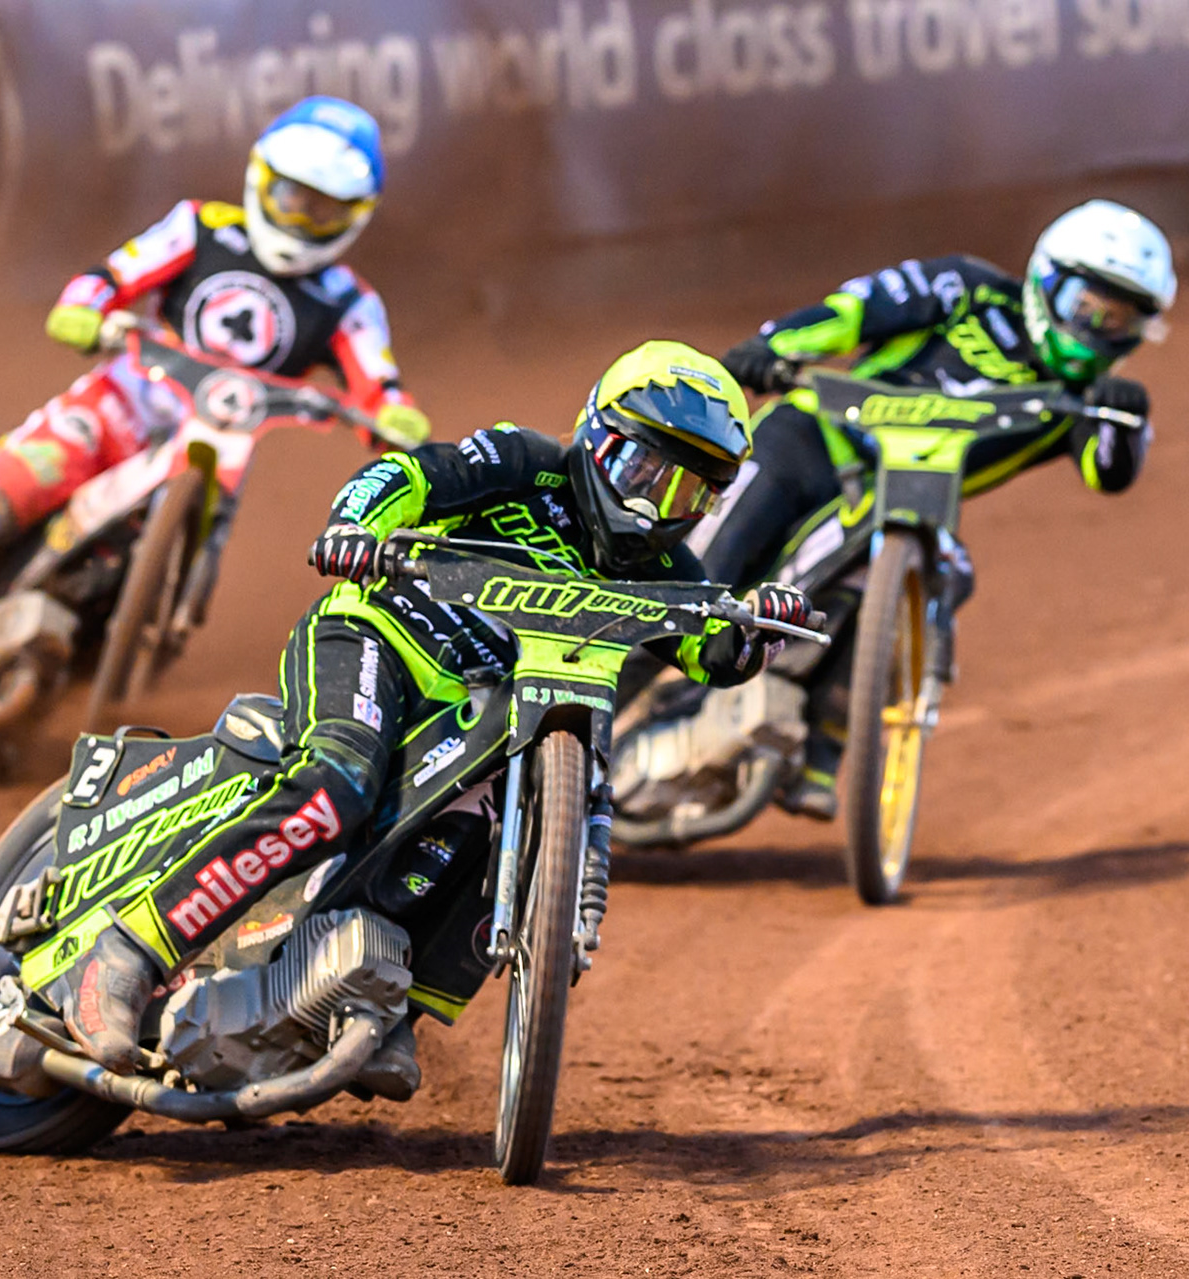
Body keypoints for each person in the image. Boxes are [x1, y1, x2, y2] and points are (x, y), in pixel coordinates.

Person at [57, 340, 813, 1080]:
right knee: (338, 782)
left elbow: (716, 649)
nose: (655, 505)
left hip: (481, 718)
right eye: (641, 469)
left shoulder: (669, 571)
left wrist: (761, 623)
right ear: (595, 434)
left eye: (687, 492)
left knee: (506, 830)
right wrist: (357, 525)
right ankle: (130, 952)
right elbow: (408, 472)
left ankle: (394, 1006)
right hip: (378, 636)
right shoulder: (525, 461)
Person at [0, 96, 431, 747]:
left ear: (356, 215)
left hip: (213, 451)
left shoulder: (350, 302)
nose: (303, 215)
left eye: (325, 207)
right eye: (292, 196)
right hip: (111, 411)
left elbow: (379, 384)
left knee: (193, 546)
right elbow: (106, 277)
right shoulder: (200, 227)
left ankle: (46, 669)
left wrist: (394, 419)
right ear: (261, 181)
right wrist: (86, 308)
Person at [702, 199, 1178, 818]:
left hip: (905, 502)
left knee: (949, 573)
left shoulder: (1085, 399)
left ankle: (825, 741)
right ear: (1046, 282)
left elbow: (1108, 472)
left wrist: (1125, 412)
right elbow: (855, 311)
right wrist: (774, 345)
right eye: (1086, 308)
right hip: (814, 440)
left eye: (1117, 322)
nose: (1095, 332)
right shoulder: (968, 288)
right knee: (702, 575)